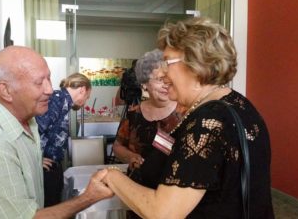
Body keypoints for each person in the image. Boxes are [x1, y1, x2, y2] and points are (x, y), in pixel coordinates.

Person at [99, 17, 274, 218]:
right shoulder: (239, 105)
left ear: (195, 63)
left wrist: (111, 176)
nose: (163, 74)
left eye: (167, 62)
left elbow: (163, 213)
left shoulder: (208, 123)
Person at [0, 46, 112, 219]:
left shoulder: (28, 118)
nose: (50, 89)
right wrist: (89, 197)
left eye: (49, 79)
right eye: (38, 82)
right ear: (6, 91)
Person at [113, 49, 182, 190]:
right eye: (159, 79)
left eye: (169, 80)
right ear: (144, 83)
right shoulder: (134, 113)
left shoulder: (185, 114)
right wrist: (130, 156)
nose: (166, 85)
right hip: (137, 187)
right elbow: (117, 146)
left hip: (173, 191)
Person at [35, 73, 91, 207]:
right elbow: (35, 128)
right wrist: (36, 158)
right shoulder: (57, 100)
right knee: (50, 207)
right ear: (82, 90)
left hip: (53, 164)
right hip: (46, 167)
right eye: (87, 96)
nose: (86, 101)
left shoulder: (63, 103)